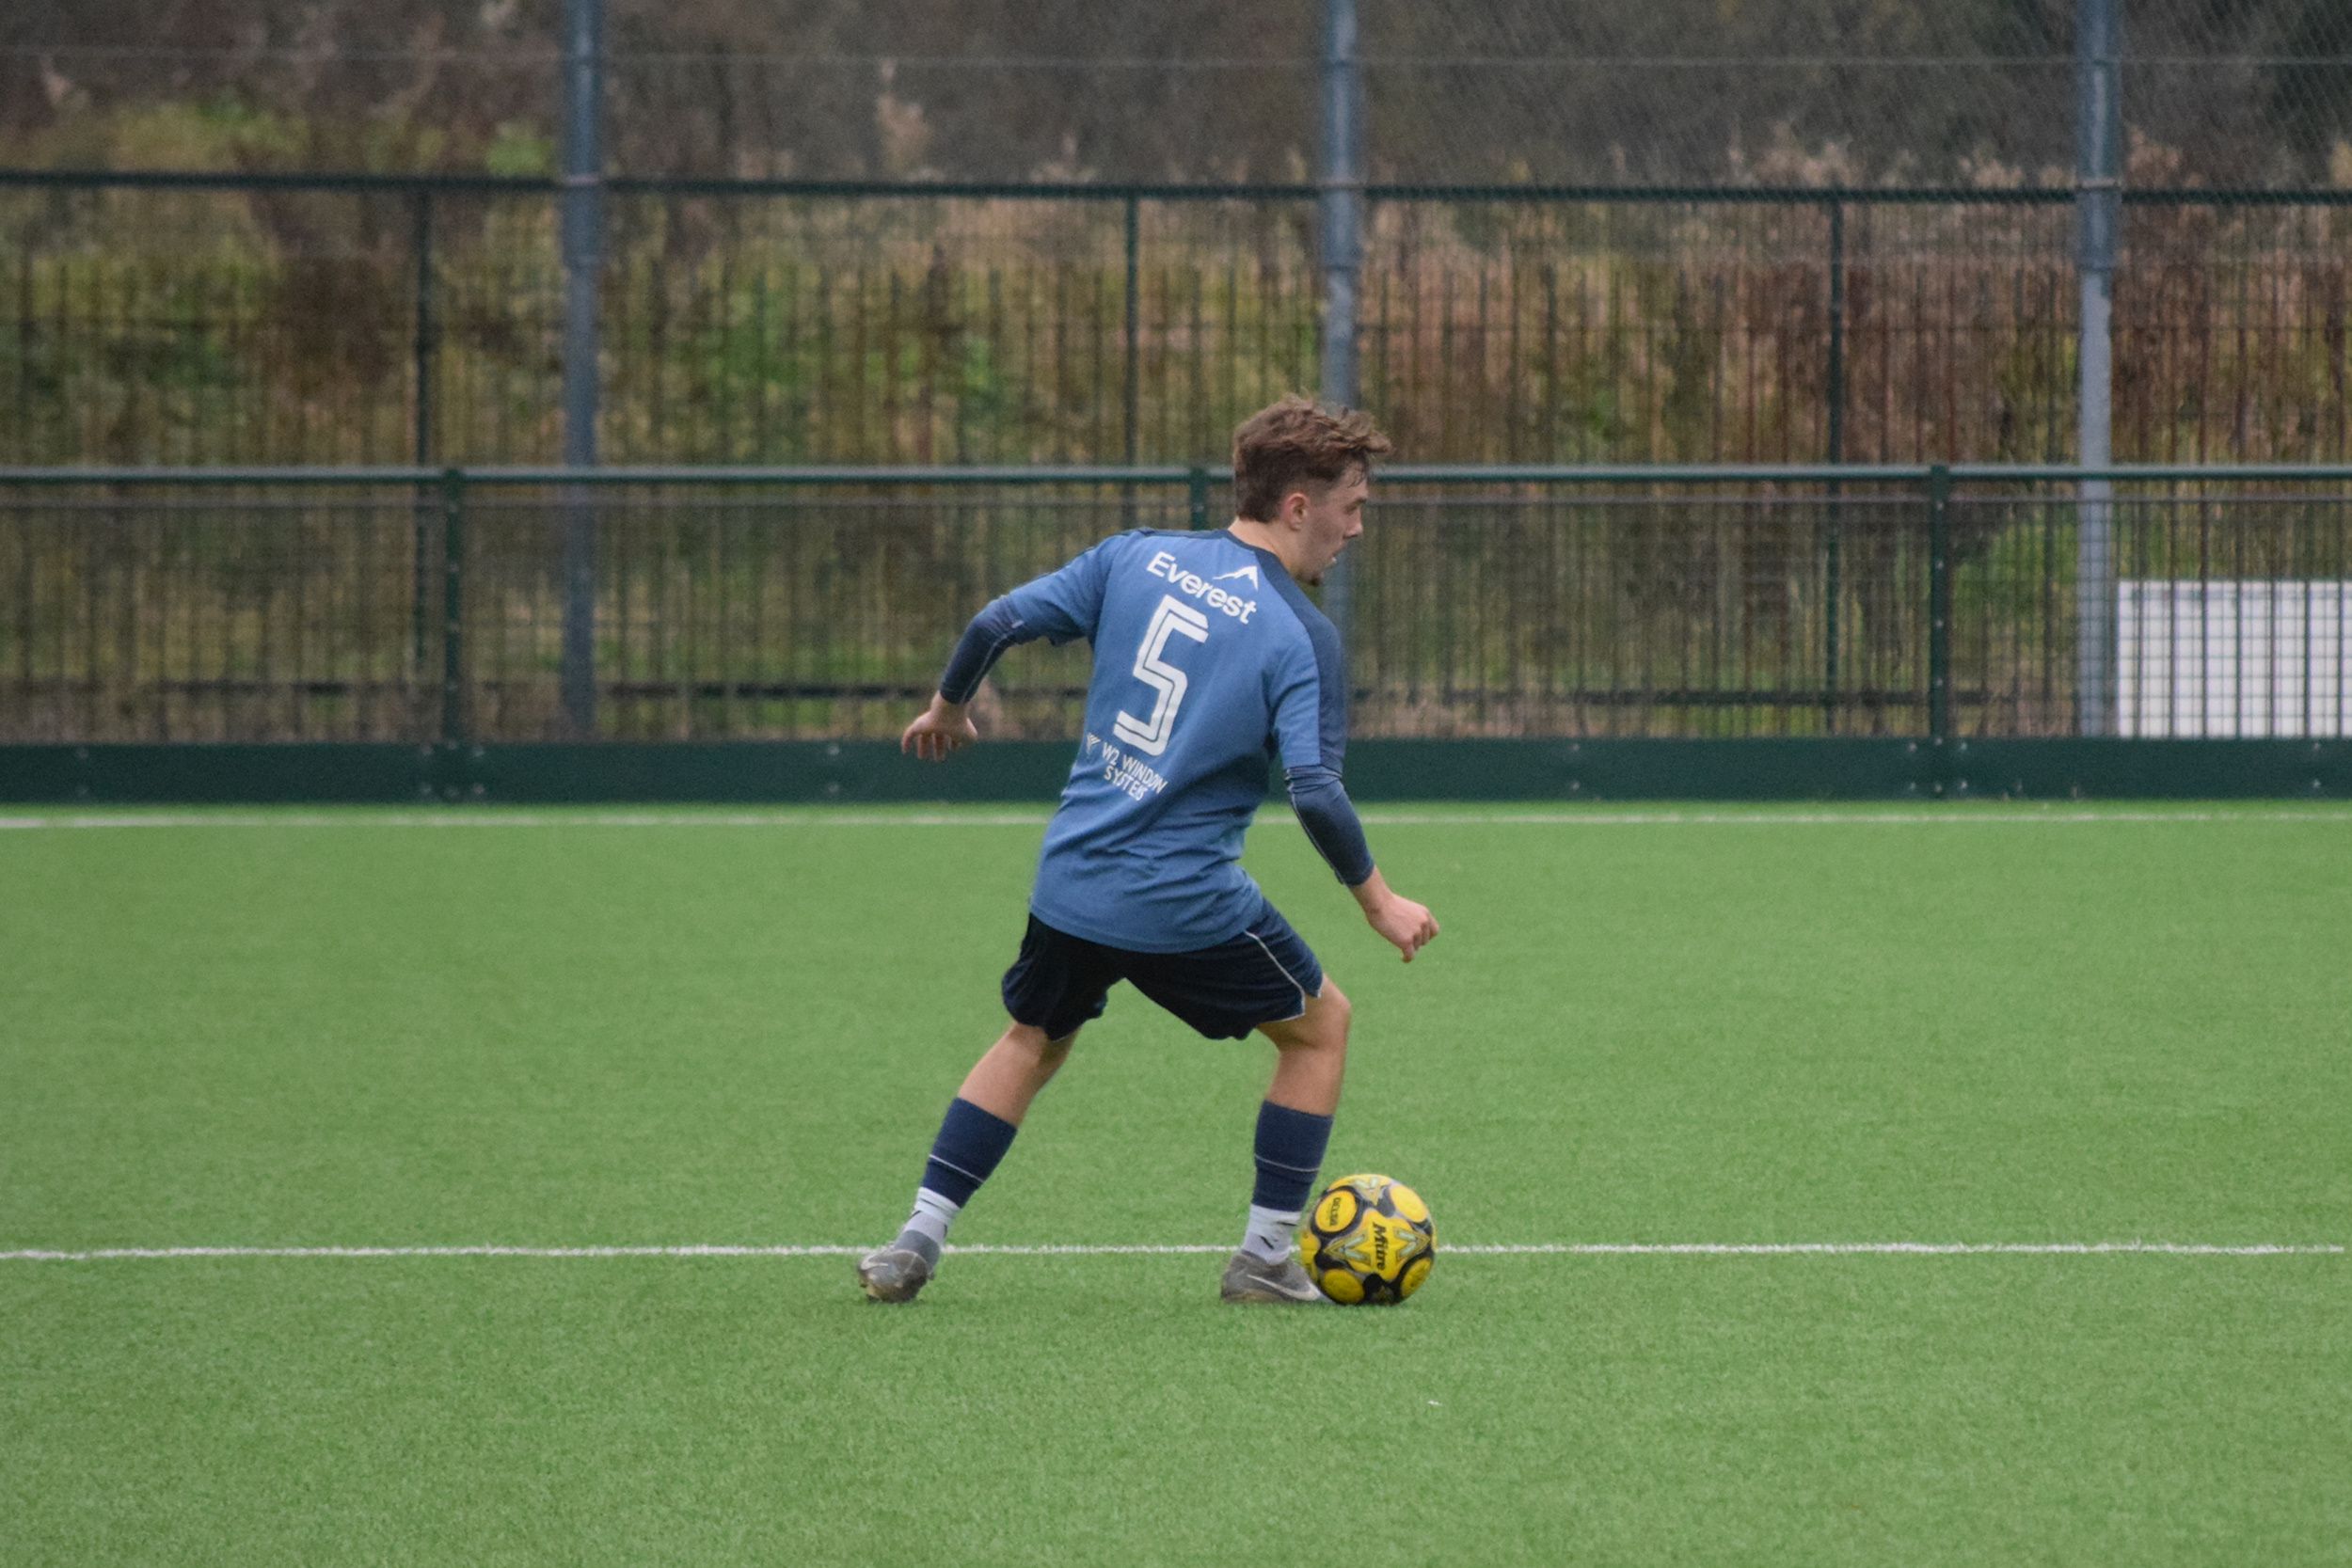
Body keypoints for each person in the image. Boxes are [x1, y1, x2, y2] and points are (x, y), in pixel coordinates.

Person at [859, 395, 1438, 1305]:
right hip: (1182, 900)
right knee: (1320, 1027)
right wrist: (1379, 899)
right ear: (1297, 507)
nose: (1357, 527)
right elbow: (1315, 787)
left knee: (1032, 1038)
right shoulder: (1301, 635)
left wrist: (949, 706)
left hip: (1072, 877)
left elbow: (998, 621)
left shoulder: (1134, 555)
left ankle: (915, 1237)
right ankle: (1262, 1256)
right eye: (1352, 506)